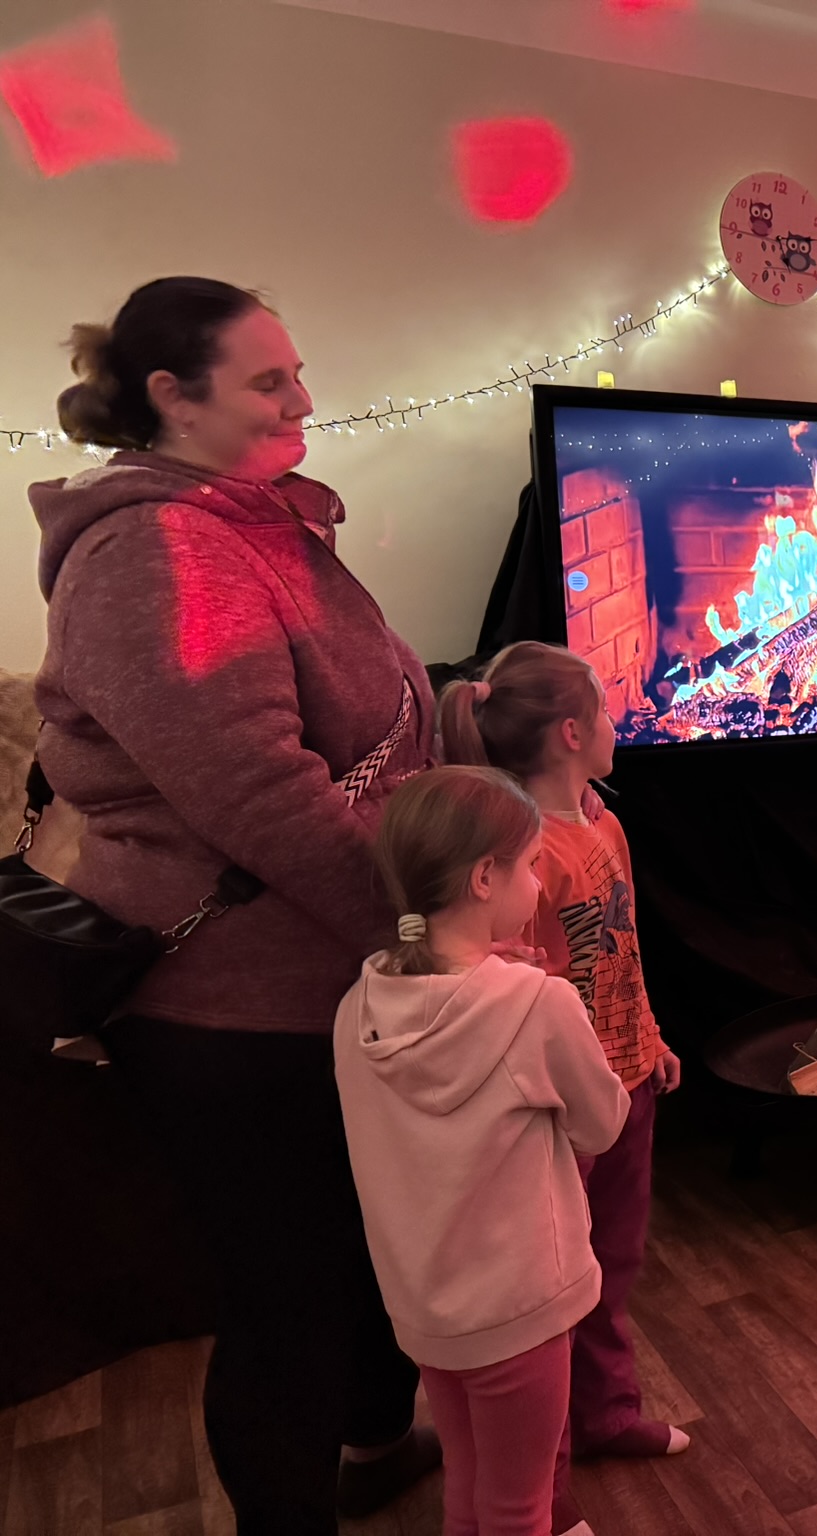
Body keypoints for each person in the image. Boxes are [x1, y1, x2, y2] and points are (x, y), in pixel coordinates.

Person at [31, 276, 440, 1527]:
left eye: (296, 370)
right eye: (270, 380)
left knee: (360, 1248)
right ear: (173, 395)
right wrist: (420, 942)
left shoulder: (251, 521)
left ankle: (374, 1442)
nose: (303, 398)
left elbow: (357, 721)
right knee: (286, 1295)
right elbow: (263, 796)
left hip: (322, 981)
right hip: (231, 1012)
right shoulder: (155, 552)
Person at [334, 766, 630, 1536]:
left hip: (424, 1309)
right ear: (484, 878)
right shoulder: (539, 1004)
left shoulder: (356, 1008)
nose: (536, 881)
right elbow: (603, 1125)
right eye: (530, 865)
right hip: (519, 1308)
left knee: (467, 1479)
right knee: (519, 1507)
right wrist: (544, 1007)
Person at [438, 643, 689, 1516]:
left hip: (628, 1082)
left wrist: (649, 1035)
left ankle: (608, 1414)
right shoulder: (521, 856)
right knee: (552, 1298)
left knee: (614, 1261)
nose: (620, 724)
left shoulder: (603, 824)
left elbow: (622, 949)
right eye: (608, 712)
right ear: (572, 733)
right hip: (555, 1112)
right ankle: (541, 1497)